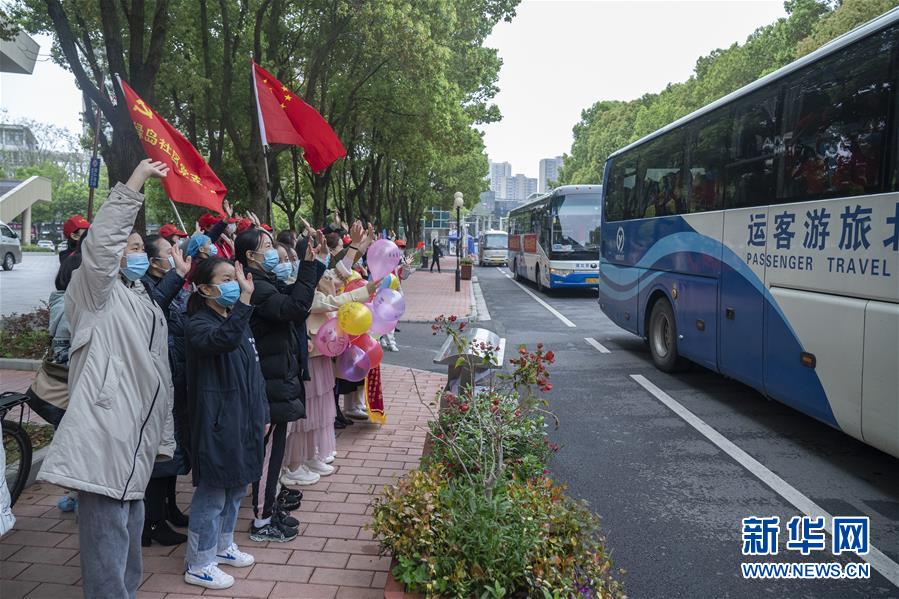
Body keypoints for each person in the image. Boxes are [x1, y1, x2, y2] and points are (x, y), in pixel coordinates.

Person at [37, 159, 176, 599]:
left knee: (128, 540)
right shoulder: (93, 291)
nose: (136, 252)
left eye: (139, 246)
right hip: (104, 438)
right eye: (130, 245)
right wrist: (135, 182)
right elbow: (102, 245)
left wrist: (163, 439)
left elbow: (159, 377)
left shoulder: (139, 298)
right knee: (106, 548)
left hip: (132, 439)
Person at [182, 257, 268, 590]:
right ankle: (199, 562)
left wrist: (261, 412)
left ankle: (222, 545)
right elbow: (223, 341)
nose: (235, 284)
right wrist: (245, 301)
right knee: (213, 493)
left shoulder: (236, 319)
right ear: (205, 288)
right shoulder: (198, 325)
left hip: (244, 419)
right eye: (226, 278)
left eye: (236, 278)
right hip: (217, 422)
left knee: (236, 487)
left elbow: (254, 371)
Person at [235, 227, 325, 543]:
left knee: (275, 450)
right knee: (268, 453)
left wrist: (315, 262)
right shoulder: (256, 288)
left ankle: (268, 507)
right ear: (250, 255)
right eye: (269, 246)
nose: (275, 252)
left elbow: (295, 298)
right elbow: (295, 308)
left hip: (278, 375)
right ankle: (262, 520)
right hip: (269, 381)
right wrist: (308, 265)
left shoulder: (265, 282)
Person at [285, 270, 380, 481]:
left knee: (319, 410)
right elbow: (329, 302)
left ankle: (310, 455)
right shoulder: (299, 288)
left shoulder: (319, 285)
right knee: (307, 411)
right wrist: (363, 291)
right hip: (308, 357)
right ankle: (292, 464)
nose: (330, 277)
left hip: (321, 356)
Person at [141, 234, 193, 546]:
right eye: (167, 252)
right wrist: (179, 274)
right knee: (159, 455)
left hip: (176, 375)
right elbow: (153, 309)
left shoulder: (169, 284)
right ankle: (152, 523)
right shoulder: (145, 286)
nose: (174, 255)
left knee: (173, 449)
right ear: (150, 260)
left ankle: (169, 508)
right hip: (158, 381)